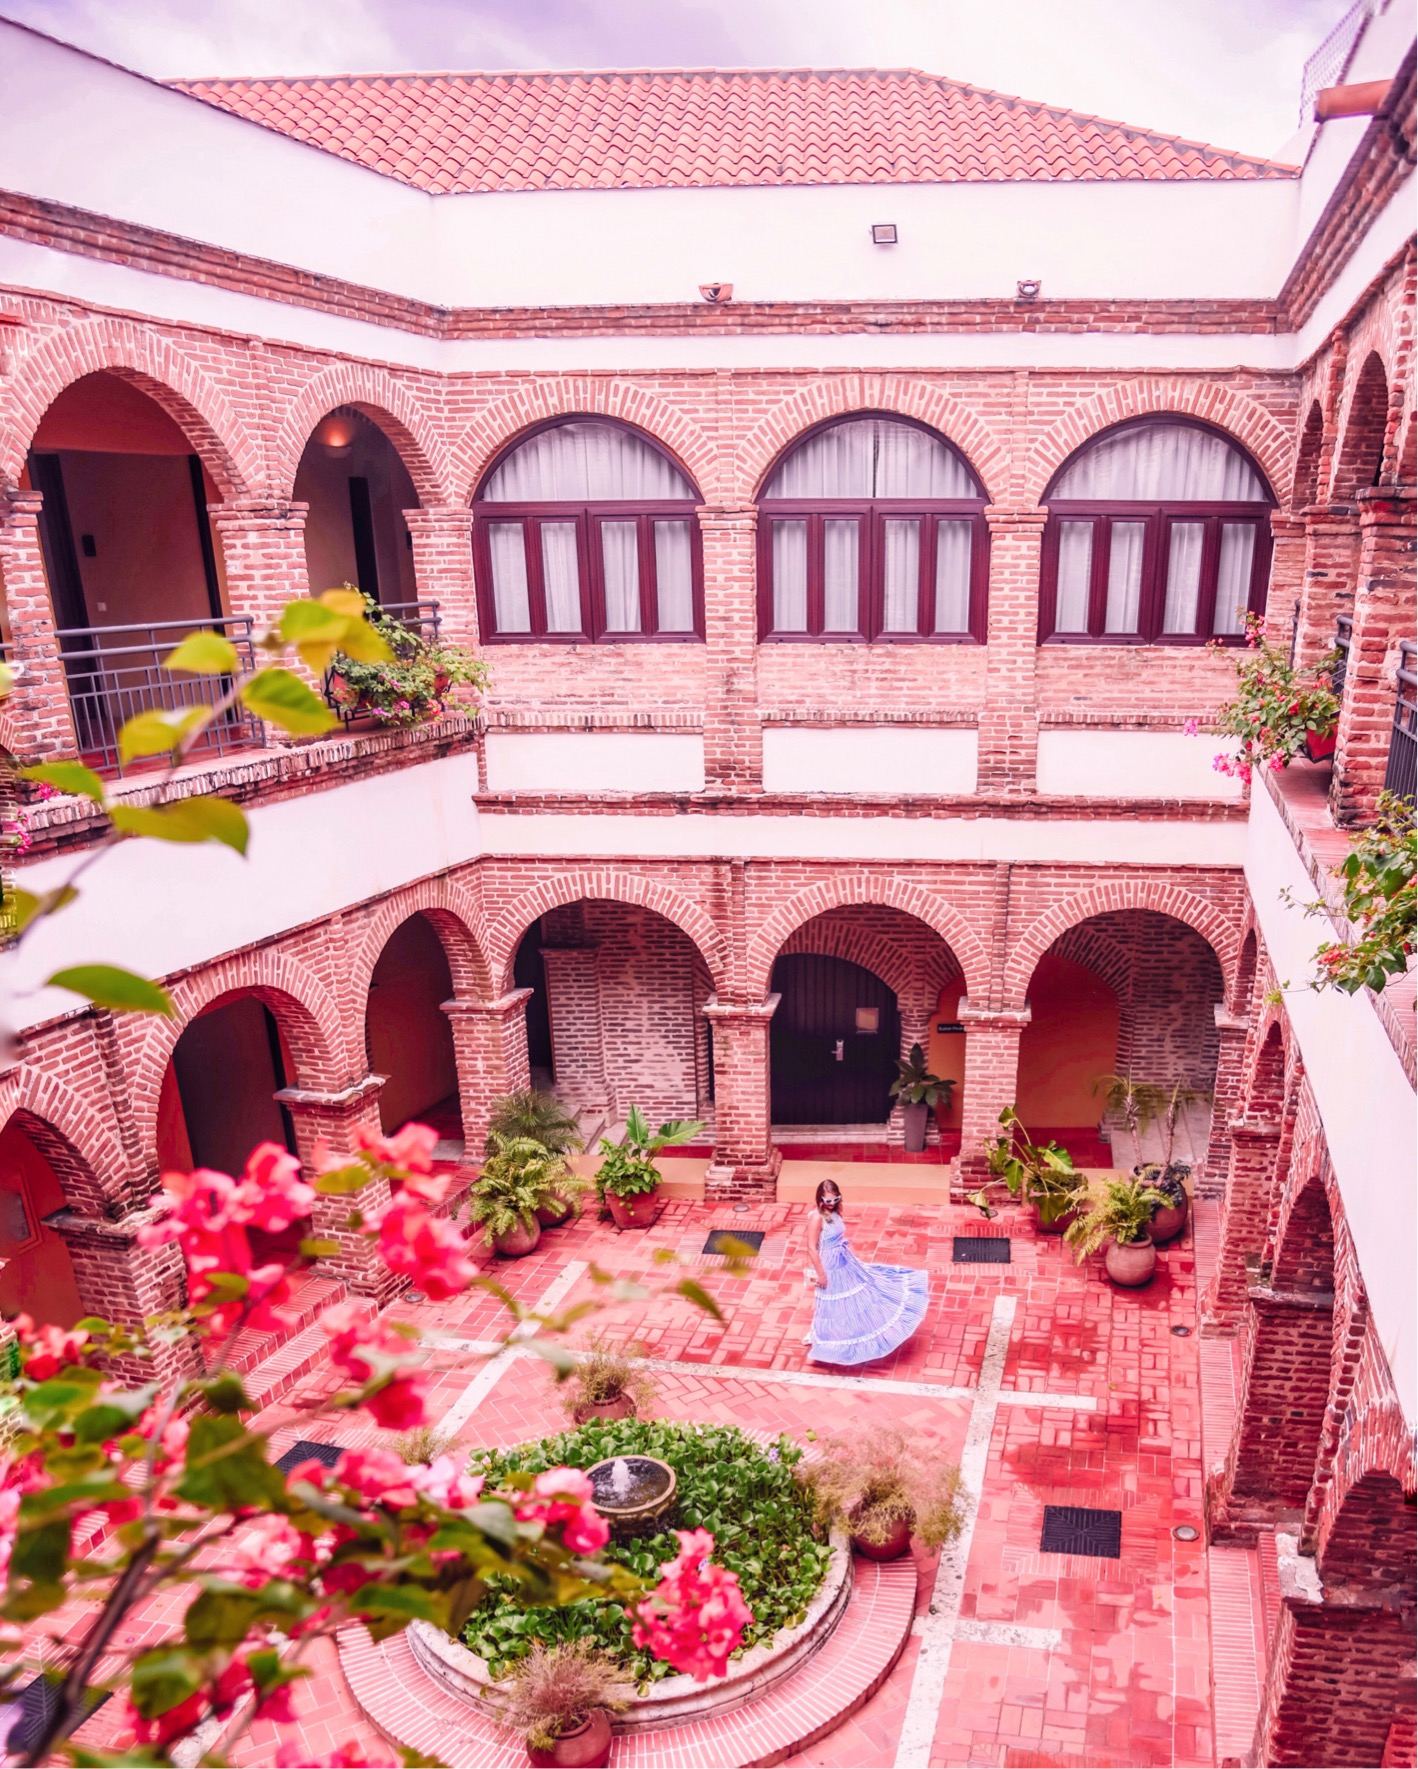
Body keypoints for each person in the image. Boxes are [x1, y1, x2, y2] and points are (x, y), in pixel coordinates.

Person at [804, 1179, 929, 1365]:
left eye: (835, 1199)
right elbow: (812, 1248)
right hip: (828, 1265)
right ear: (820, 1199)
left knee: (859, 1293)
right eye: (827, 1200)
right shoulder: (816, 1217)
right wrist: (821, 1274)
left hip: (844, 1261)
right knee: (829, 1302)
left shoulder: (836, 1212)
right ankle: (822, 1343)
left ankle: (822, 1333)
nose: (831, 1203)